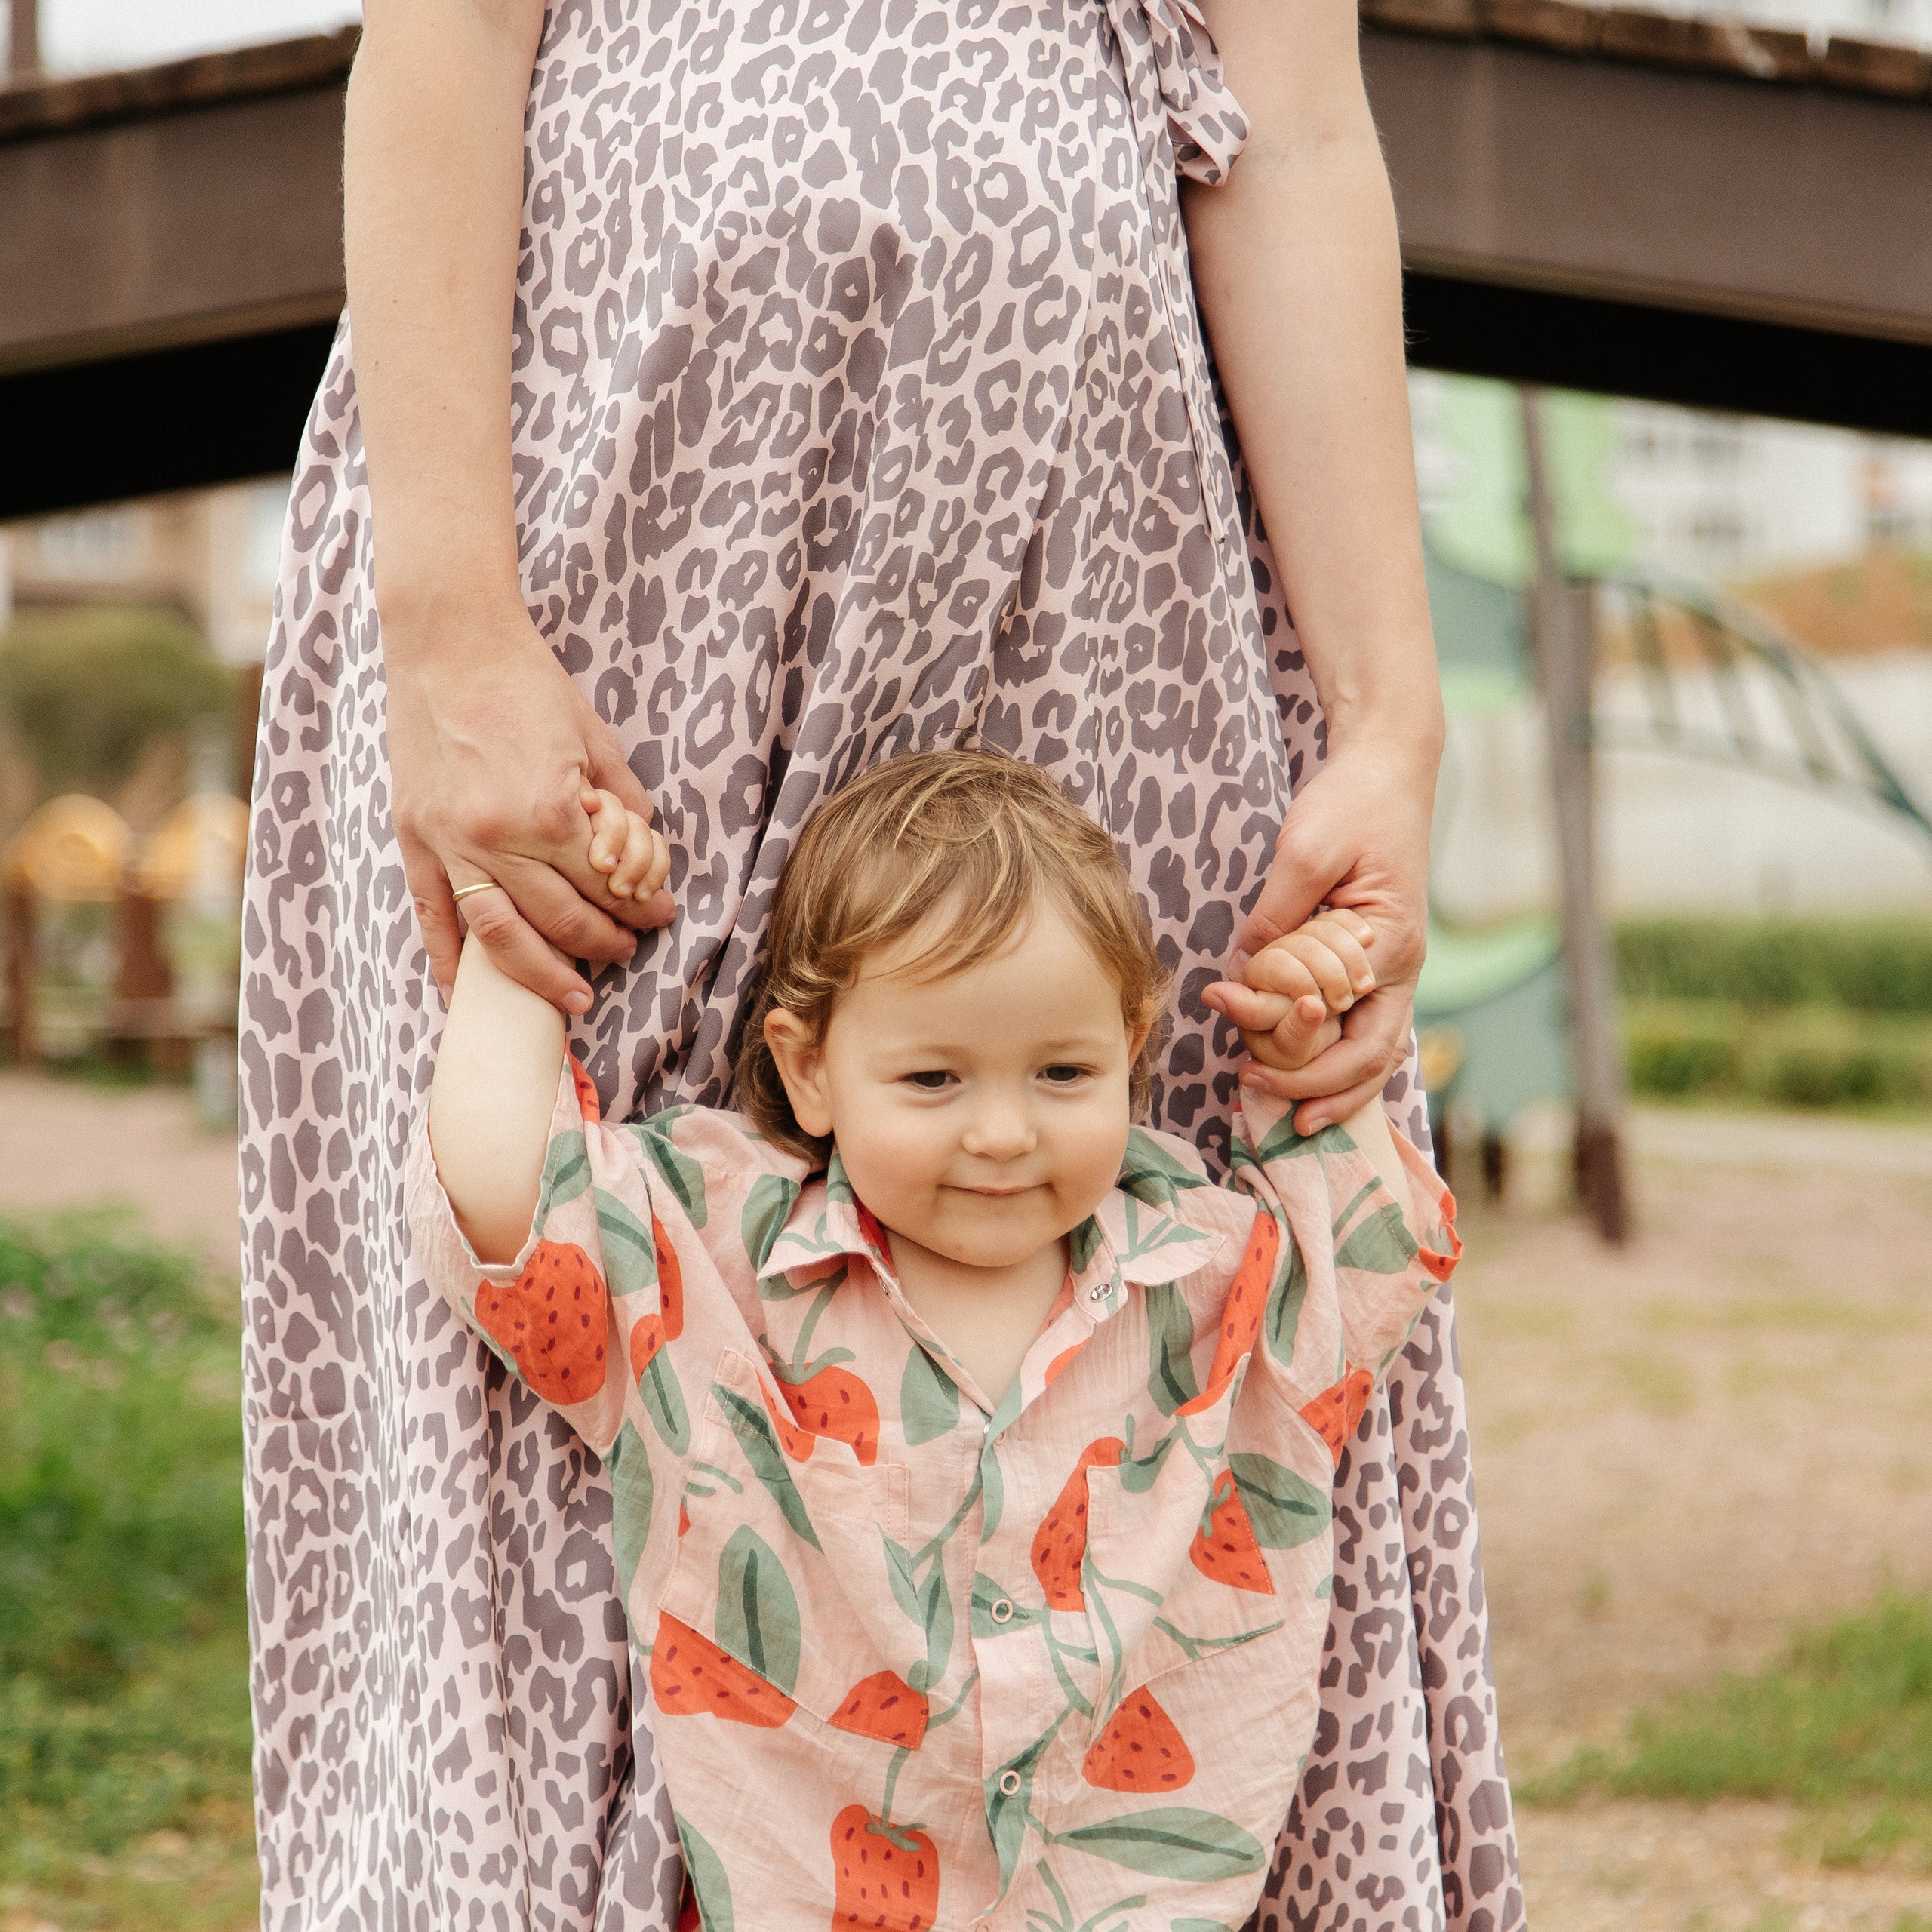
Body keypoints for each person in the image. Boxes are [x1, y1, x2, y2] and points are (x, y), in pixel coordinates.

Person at [243, 0, 1523, 1925]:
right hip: (623, 568)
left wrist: (1385, 718)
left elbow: (1299, 136)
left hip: (1109, 592)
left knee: (1146, 1307)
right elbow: (436, 46)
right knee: (580, 1346)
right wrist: (449, 621)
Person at [409, 751, 1459, 1930]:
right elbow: (509, 1202)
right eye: (933, 1077)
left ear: (1131, 1048)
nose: (1004, 1132)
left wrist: (1315, 1046)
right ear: (810, 1071)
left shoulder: (1219, 1280)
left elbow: (1369, 1256)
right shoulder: (723, 1268)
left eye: (1064, 1072)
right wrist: (525, 940)